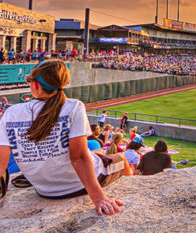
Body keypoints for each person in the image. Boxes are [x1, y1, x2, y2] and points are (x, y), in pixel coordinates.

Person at [0, 60, 123, 216]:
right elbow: (78, 157)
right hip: (77, 187)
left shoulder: (11, 113)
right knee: (122, 159)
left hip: (44, 190)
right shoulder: (74, 106)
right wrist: (99, 198)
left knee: (97, 152)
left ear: (36, 85)